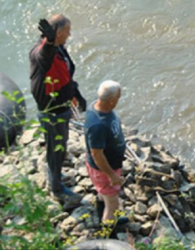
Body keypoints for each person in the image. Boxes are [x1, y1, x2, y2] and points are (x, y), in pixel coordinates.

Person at [29, 15, 86, 207]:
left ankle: (54, 174)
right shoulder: (40, 52)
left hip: (61, 106)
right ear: (58, 33)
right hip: (52, 111)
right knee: (56, 150)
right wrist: (49, 42)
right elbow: (44, 57)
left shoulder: (60, 49)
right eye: (67, 32)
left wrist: (77, 94)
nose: (70, 35)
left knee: (57, 147)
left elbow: (67, 75)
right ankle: (57, 189)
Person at [84, 80, 127, 224]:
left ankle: (100, 208)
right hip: (104, 169)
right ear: (111, 101)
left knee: (105, 194)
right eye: (118, 98)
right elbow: (97, 154)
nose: (119, 101)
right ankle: (109, 234)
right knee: (113, 203)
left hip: (110, 163)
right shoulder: (98, 125)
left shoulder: (97, 106)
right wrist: (112, 175)